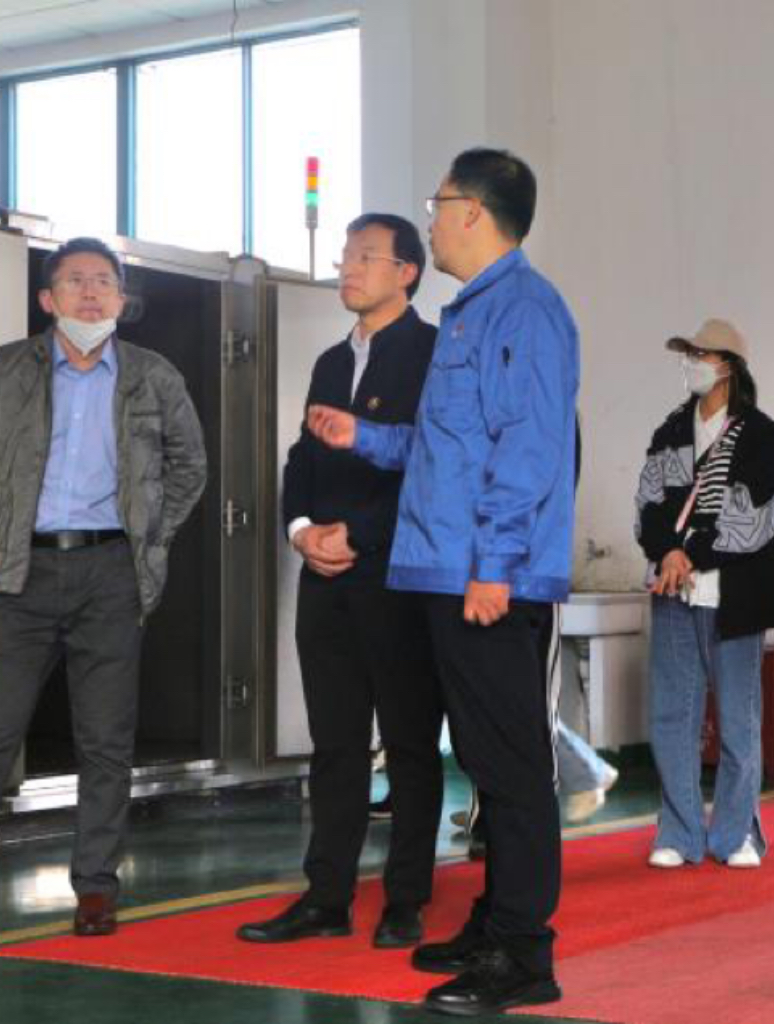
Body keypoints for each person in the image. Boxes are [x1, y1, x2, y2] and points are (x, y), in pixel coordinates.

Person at [306, 147, 580, 1016]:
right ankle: (495, 925)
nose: (429, 219)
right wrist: (363, 438)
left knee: (512, 768)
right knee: (485, 761)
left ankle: (524, 956)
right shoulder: (469, 315)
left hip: (485, 579)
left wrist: (495, 565)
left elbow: (528, 448)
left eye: (438, 203)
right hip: (441, 571)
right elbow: (442, 446)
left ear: (473, 212)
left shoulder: (526, 311)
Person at [0, 237, 208, 952]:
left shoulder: (152, 375)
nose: (90, 293)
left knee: (105, 742)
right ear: (48, 299)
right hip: (19, 574)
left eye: (103, 282)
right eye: (75, 281)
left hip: (110, 573)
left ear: (121, 300)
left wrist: (147, 540)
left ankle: (96, 889)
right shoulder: (7, 368)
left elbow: (190, 467)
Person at [242, 214, 446, 950]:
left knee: (411, 742)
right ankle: (327, 896)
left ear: (407, 272)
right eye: (345, 256)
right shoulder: (332, 360)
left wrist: (356, 534)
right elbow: (303, 457)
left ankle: (406, 898)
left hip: (398, 576)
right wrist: (300, 530)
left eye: (366, 256)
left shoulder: (435, 354)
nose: (348, 269)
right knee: (334, 743)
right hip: (324, 578)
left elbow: (433, 467)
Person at [635, 318, 774, 870]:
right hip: (674, 590)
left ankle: (735, 833)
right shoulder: (670, 431)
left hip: (736, 594)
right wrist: (667, 552)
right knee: (672, 715)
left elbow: (757, 519)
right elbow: (648, 503)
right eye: (689, 354)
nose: (692, 363)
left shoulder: (759, 436)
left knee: (738, 717)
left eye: (700, 354)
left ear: (728, 366)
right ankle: (678, 833)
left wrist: (690, 554)